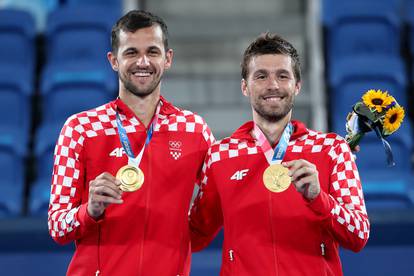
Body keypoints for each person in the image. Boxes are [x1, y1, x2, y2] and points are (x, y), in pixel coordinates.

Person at [47, 10, 214, 276]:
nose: (143, 61)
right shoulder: (80, 128)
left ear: (168, 58)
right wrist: (89, 210)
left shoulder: (194, 129)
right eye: (131, 52)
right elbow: (57, 226)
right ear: (113, 60)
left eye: (153, 51)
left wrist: (178, 239)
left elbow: (214, 206)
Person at [189, 33, 370, 276]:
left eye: (282, 76)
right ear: (245, 86)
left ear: (297, 85)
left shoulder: (331, 149)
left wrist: (319, 198)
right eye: (261, 76)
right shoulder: (220, 156)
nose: (272, 85)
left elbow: (358, 235)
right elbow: (193, 235)